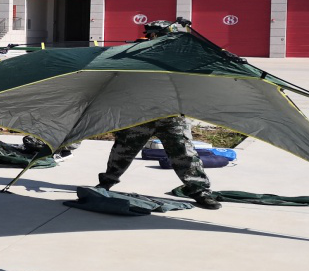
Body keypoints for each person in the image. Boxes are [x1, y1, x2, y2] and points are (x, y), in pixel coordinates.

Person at [95, 20, 221, 210]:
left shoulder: (182, 55)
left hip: (172, 114)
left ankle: (200, 191)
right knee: (123, 150)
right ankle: (106, 182)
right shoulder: (136, 52)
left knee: (185, 153)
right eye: (156, 35)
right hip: (140, 113)